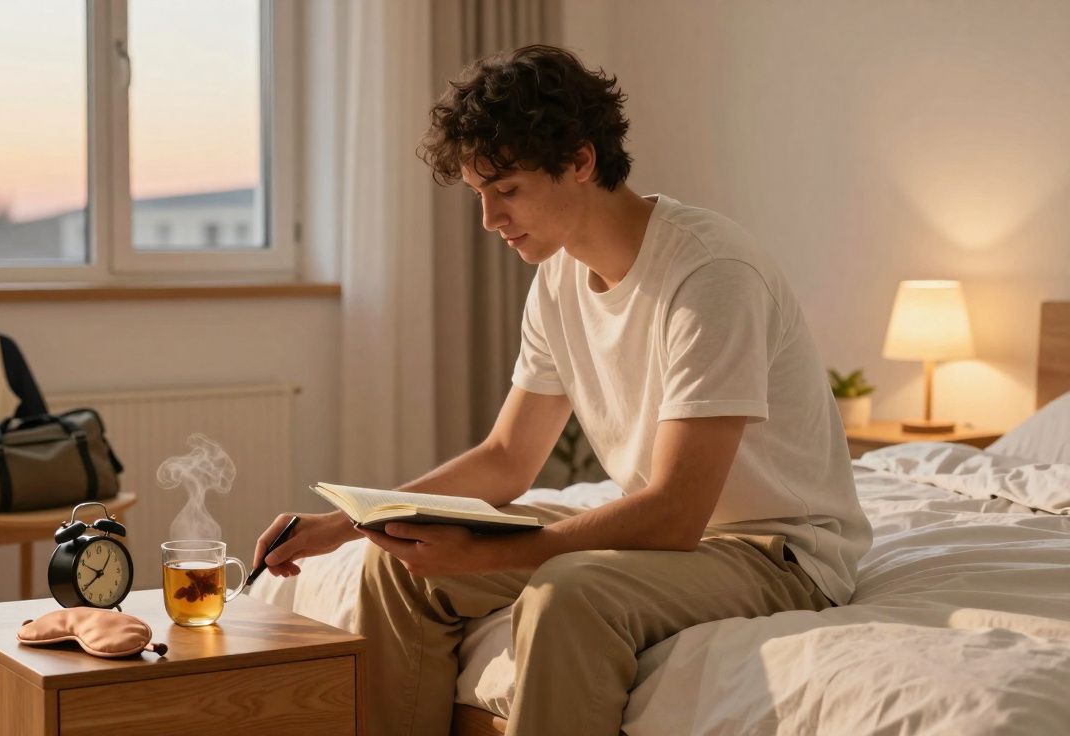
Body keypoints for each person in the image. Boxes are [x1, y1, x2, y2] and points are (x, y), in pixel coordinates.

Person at [252, 44, 871, 736]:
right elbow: (507, 458)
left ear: (580, 161)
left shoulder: (711, 276)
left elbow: (676, 512)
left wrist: (488, 554)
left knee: (567, 593)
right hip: (672, 541)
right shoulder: (559, 277)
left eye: (507, 190)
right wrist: (348, 524)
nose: (489, 219)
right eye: (479, 195)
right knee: (398, 567)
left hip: (775, 554)